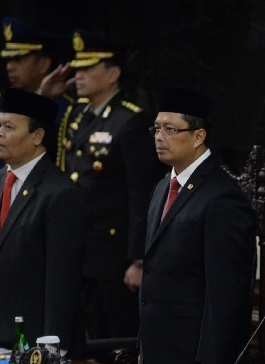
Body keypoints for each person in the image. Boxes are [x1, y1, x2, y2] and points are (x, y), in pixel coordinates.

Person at [44, 30, 164, 340]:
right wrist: (46, 99)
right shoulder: (78, 117)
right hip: (81, 252)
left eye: (87, 68)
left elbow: (141, 196)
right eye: (77, 68)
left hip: (114, 258)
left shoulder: (130, 121)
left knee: (117, 340)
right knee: (88, 341)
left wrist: (138, 259)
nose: (77, 75)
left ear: (113, 73)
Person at [138, 87, 255, 364]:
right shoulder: (162, 188)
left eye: (170, 129)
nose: (159, 137)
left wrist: (215, 359)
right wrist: (145, 345)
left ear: (199, 136)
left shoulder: (222, 198)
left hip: (195, 360)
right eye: (156, 128)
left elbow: (227, 289)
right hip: (159, 352)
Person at [0, 88, 85, 352]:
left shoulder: (60, 193)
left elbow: (62, 281)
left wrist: (52, 346)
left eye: (8, 127)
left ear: (37, 136)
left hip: (36, 340)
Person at [0, 17, 70, 179]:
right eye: (8, 60)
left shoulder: (63, 108)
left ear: (43, 63)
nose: (9, 66)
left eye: (18, 59)